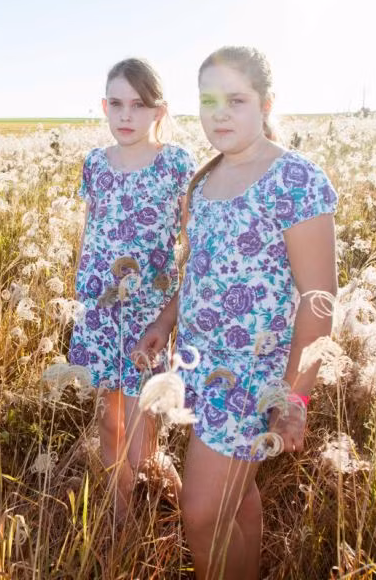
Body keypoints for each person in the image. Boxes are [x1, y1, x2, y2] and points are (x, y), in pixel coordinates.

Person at [134, 46, 338, 579]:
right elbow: (198, 273)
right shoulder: (203, 181)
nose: (219, 113)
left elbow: (319, 298)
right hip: (200, 365)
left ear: (266, 103)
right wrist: (164, 323)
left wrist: (295, 395)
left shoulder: (295, 180)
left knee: (200, 514)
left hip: (254, 374)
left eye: (236, 99)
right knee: (236, 498)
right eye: (208, 100)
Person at [69, 57, 196, 524]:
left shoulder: (176, 164)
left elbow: (192, 241)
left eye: (138, 105)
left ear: (158, 111)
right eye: (117, 104)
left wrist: (173, 312)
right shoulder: (95, 164)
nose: (126, 116)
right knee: (109, 422)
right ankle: (119, 523)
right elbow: (91, 230)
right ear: (104, 106)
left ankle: (183, 515)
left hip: (148, 317)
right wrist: (80, 291)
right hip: (100, 313)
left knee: (143, 441)